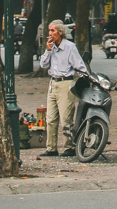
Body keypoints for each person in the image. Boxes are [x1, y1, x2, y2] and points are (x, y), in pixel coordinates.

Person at [38, 20, 88, 156]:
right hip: (53, 83)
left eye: (53, 31)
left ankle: (69, 146)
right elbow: (43, 65)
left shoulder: (69, 47)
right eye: (49, 31)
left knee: (66, 117)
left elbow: (79, 65)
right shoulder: (51, 47)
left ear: (61, 32)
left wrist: (86, 78)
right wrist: (47, 50)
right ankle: (51, 148)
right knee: (50, 118)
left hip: (66, 83)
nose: (50, 34)